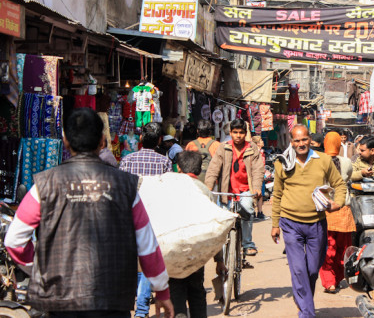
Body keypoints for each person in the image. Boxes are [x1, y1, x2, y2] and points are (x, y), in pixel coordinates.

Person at [4, 108, 174, 317]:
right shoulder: (126, 186)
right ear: (102, 141)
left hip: (60, 300)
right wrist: (162, 290)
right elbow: (147, 245)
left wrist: (40, 270)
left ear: (65, 141)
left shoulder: (44, 184)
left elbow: (14, 241)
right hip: (112, 299)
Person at [271, 125, 347, 318]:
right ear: (291, 142)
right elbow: (277, 194)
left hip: (317, 223)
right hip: (290, 223)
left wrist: (337, 203)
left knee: (312, 269)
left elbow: (339, 184)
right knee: (298, 269)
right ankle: (307, 312)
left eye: (304, 139)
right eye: (296, 140)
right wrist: (274, 224)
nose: (301, 144)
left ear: (310, 139)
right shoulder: (282, 163)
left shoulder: (323, 160)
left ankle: (301, 299)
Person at [119, 121, 173, 318]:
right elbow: (168, 191)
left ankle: (129, 305)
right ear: (159, 140)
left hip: (129, 216)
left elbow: (121, 190)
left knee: (130, 261)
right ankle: (141, 310)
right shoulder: (165, 162)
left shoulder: (127, 160)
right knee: (147, 259)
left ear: (141, 138)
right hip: (154, 218)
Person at [169, 151, 226, 318]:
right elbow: (214, 229)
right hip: (196, 254)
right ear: (201, 170)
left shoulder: (169, 188)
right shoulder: (205, 192)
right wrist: (219, 260)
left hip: (174, 251)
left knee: (176, 291)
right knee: (196, 291)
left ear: (178, 168)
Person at [205, 118, 264, 257]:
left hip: (245, 190)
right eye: (235, 132)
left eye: (241, 132)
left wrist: (256, 188)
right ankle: (222, 255)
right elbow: (213, 169)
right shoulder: (223, 147)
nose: (238, 135)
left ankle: (248, 244)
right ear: (230, 133)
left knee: (248, 210)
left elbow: (257, 170)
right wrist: (208, 188)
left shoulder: (252, 148)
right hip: (227, 191)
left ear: (245, 134)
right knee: (223, 220)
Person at [319, 131, 355, 294]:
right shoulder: (346, 162)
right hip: (343, 211)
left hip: (325, 210)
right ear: (339, 145)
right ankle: (339, 278)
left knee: (327, 249)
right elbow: (348, 178)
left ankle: (329, 281)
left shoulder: (318, 162)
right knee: (343, 248)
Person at [251, 135, 269, 221]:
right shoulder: (255, 153)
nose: (263, 142)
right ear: (257, 143)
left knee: (260, 195)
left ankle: (260, 212)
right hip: (257, 176)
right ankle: (254, 212)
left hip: (261, 174)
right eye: (261, 140)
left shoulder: (261, 152)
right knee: (256, 194)